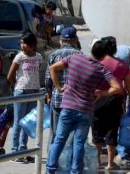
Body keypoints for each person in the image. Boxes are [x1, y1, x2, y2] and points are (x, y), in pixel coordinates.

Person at [46, 40, 122, 174]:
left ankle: (50, 170)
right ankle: (75, 171)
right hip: (86, 110)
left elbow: (53, 68)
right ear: (103, 56)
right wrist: (101, 93)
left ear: (91, 49)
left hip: (68, 107)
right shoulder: (101, 69)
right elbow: (117, 88)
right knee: (79, 143)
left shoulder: (74, 58)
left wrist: (58, 87)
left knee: (59, 140)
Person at [91, 36, 130, 170]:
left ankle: (98, 162)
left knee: (96, 130)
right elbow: (129, 85)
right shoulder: (122, 64)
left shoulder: (97, 63)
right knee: (112, 130)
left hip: (97, 98)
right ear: (115, 48)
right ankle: (110, 163)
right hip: (115, 99)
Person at [7, 33, 43, 163]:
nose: (23, 46)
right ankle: (15, 151)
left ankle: (24, 150)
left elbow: (36, 72)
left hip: (34, 92)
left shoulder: (38, 57)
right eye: (21, 43)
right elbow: (10, 76)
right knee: (18, 122)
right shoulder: (19, 57)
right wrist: (16, 86)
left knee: (27, 122)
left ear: (32, 45)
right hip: (21, 92)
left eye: (25, 43)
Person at [45, 27, 82, 148]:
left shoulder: (53, 55)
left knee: (56, 133)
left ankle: (52, 162)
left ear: (61, 40)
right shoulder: (80, 55)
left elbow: (47, 80)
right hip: (74, 101)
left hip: (57, 99)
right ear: (75, 39)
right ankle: (67, 162)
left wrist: (50, 95)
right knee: (71, 135)